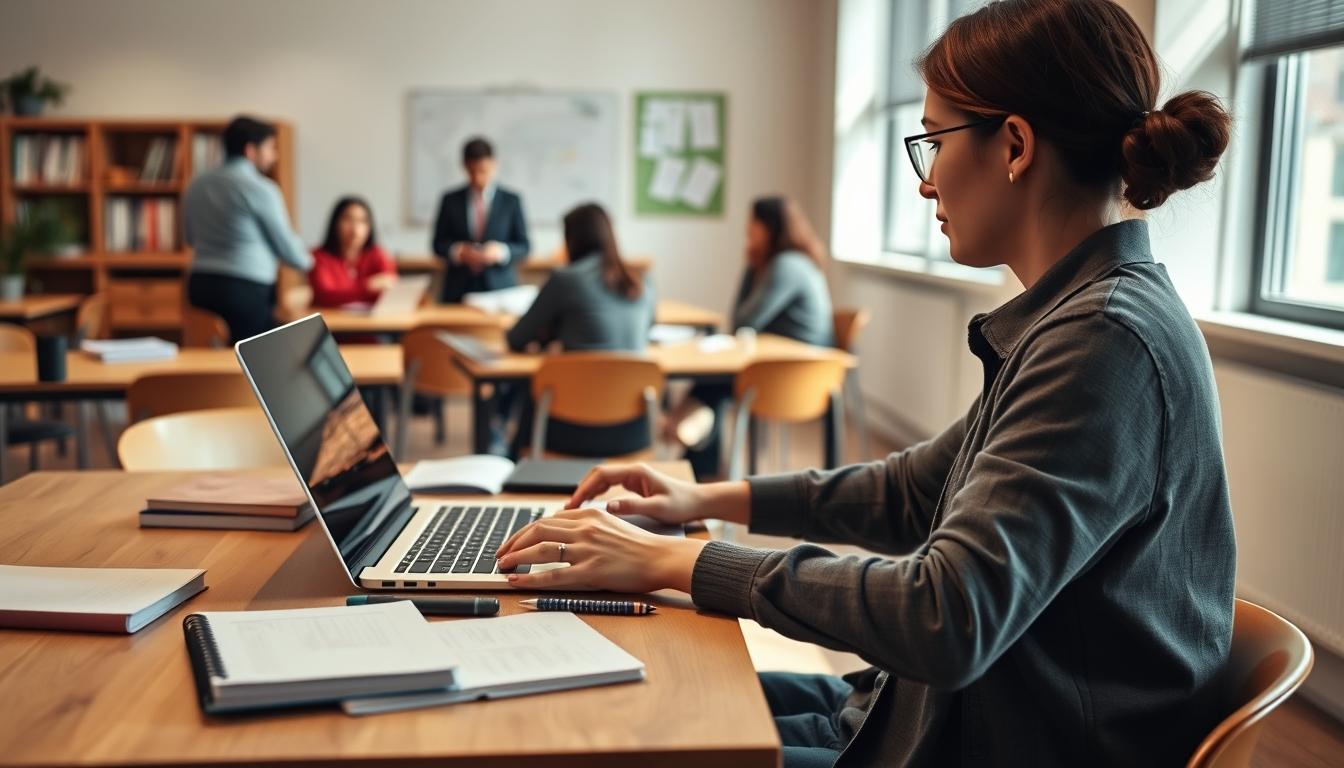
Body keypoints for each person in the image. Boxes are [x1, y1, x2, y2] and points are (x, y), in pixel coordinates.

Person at [495, 1, 1235, 765]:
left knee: (623, 745)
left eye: (934, 142)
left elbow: (946, 615)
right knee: (632, 708)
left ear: (1015, 146)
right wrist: (699, 500)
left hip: (984, 740)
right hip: (926, 709)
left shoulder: (1102, 341)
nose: (925, 183)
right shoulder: (1080, 316)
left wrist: (676, 561)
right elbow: (914, 492)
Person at [675, 196, 834, 478]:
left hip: (791, 374)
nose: (747, 230)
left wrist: (749, 267)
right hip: (795, 368)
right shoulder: (791, 261)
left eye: (752, 223)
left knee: (711, 382)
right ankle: (693, 455)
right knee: (711, 386)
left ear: (768, 226)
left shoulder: (785, 265)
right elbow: (742, 322)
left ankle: (691, 454)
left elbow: (743, 321)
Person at [502, 203, 654, 457]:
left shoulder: (565, 279)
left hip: (568, 430)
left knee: (531, 387)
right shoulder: (643, 282)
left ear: (571, 240)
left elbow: (516, 338)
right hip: (633, 432)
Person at [183, 115, 311, 343]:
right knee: (252, 358)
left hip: (200, 285)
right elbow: (289, 251)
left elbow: (190, 238)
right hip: (245, 290)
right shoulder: (260, 188)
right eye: (270, 148)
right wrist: (310, 260)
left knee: (206, 355)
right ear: (251, 150)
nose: (274, 156)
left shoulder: (196, 185)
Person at [430, 137, 530, 303]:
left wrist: (501, 251)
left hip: (500, 290)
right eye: (472, 172)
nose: (477, 178)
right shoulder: (450, 200)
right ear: (464, 166)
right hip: (458, 290)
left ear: (494, 164)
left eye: (483, 171)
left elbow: (524, 246)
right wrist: (457, 251)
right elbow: (437, 244)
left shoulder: (511, 201)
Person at [308, 196, 398, 308]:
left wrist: (349, 293)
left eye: (362, 221)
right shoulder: (319, 257)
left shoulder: (377, 254)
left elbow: (389, 290)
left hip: (370, 319)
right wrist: (368, 287)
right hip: (330, 318)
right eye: (348, 220)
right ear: (335, 223)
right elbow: (325, 296)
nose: (355, 229)